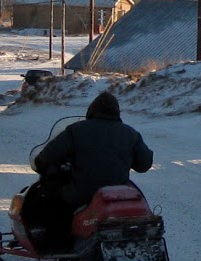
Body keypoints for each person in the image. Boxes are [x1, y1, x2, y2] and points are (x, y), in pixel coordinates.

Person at [30, 90, 154, 227]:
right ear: (117, 112)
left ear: (91, 110)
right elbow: (144, 164)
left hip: (83, 194)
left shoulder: (75, 130)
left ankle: (57, 243)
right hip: (118, 194)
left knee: (52, 202)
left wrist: (40, 162)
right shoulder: (131, 133)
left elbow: (49, 154)